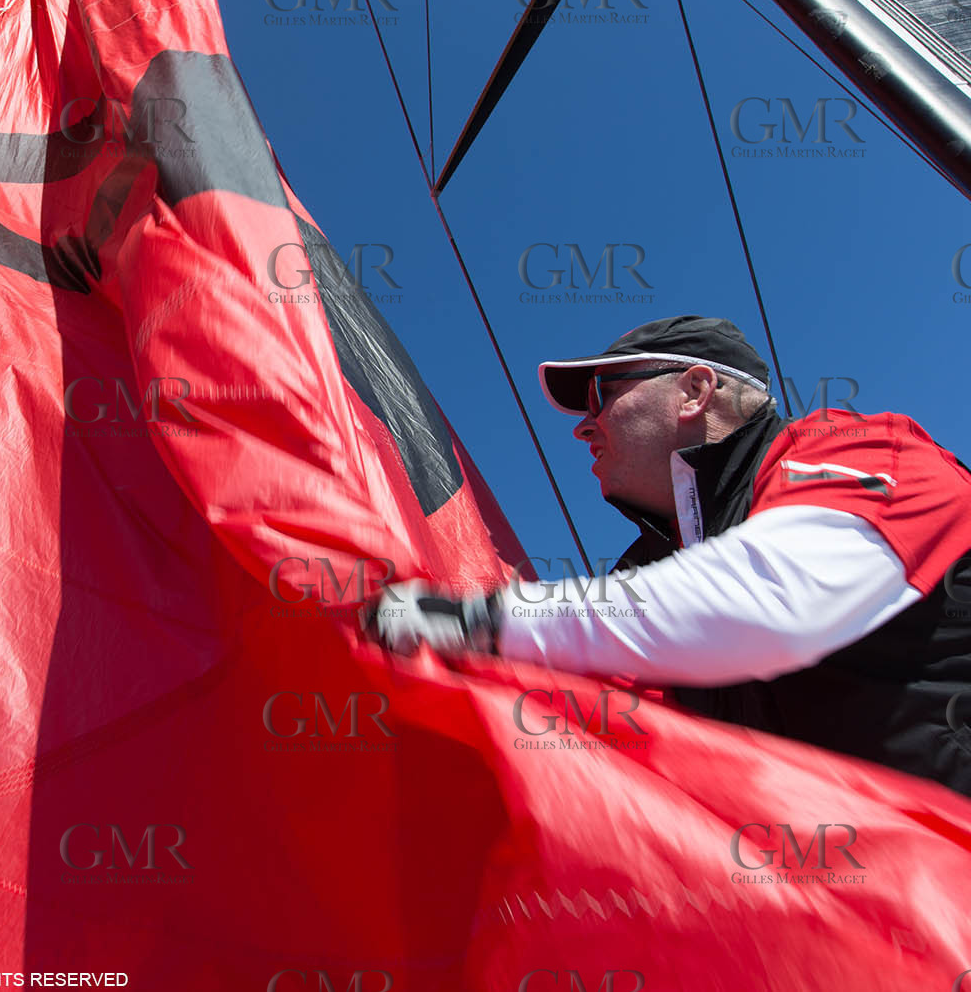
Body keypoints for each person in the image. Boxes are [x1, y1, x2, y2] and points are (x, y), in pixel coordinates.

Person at [371, 315, 971, 795]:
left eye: (601, 396)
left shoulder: (867, 453)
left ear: (693, 390)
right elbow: (595, 727)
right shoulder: (655, 577)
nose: (585, 428)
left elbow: (766, 603)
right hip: (862, 919)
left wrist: (480, 621)